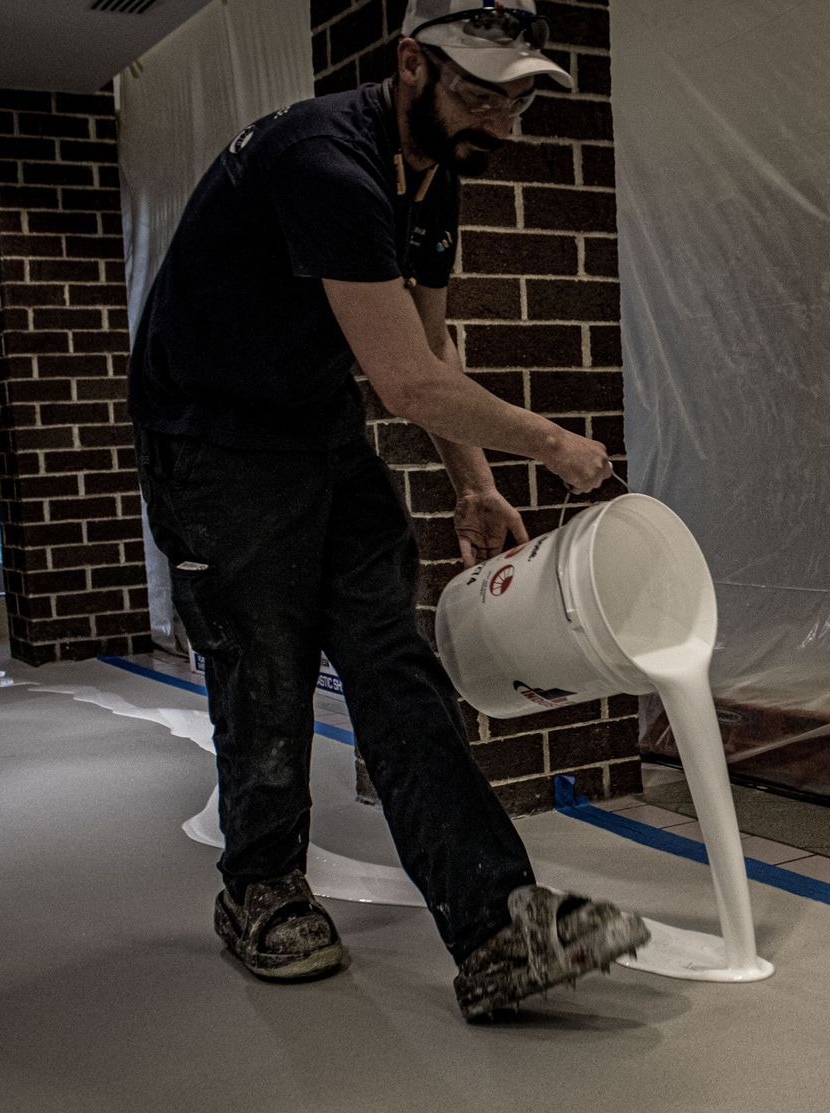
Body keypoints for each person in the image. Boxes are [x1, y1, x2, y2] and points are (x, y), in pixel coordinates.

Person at [127, 0, 648, 1021]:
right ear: (410, 64)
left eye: (518, 101)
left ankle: (498, 926)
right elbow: (407, 382)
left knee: (392, 661)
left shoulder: (434, 174)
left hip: (315, 426)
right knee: (264, 664)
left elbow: (429, 345)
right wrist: (549, 445)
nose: (500, 125)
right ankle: (261, 888)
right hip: (212, 439)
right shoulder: (325, 161)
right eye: (478, 96)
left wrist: (474, 482)